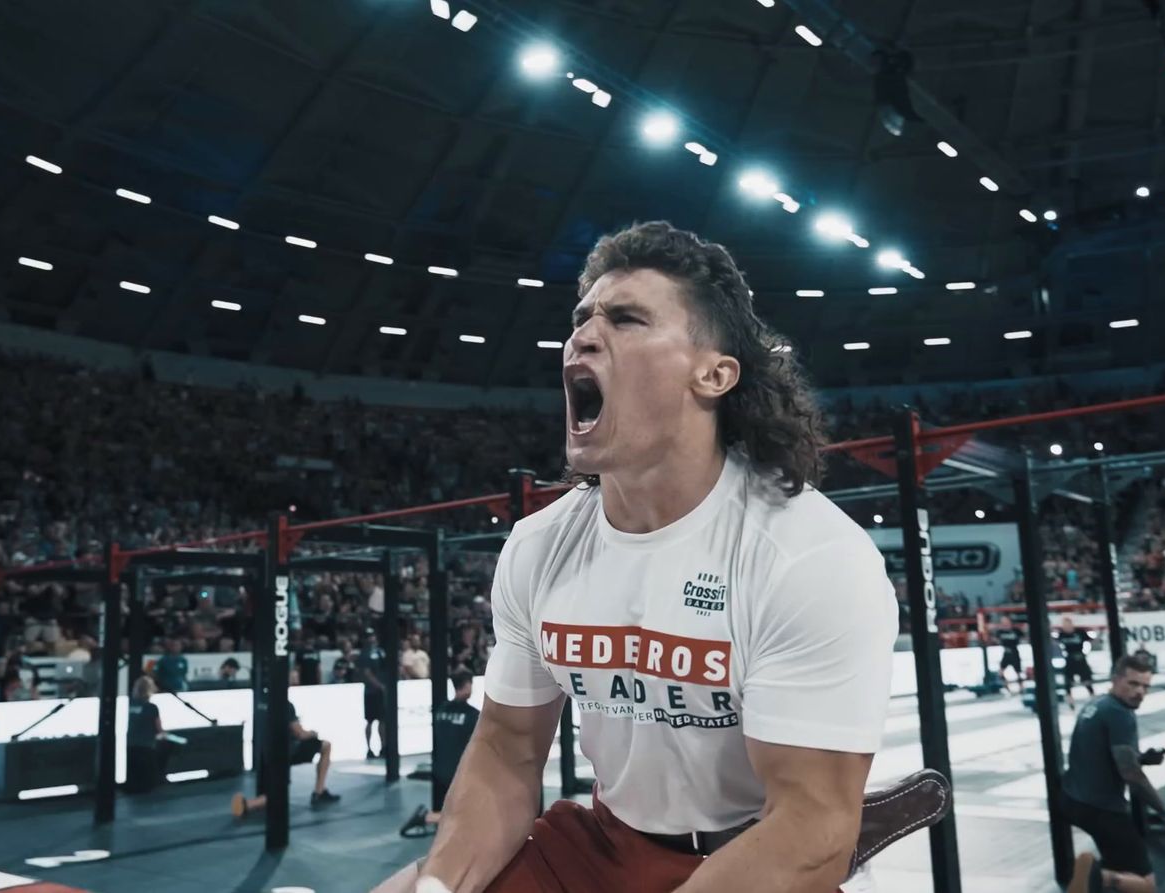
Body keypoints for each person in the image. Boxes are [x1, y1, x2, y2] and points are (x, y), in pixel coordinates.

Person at [372, 222, 905, 893]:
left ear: (713, 374)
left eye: (625, 318)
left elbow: (811, 828)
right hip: (601, 841)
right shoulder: (541, 546)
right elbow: (508, 749)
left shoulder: (807, 554)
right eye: (582, 318)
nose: (584, 334)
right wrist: (439, 884)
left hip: (750, 860)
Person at [1062, 655, 1165, 893]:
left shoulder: (1097, 704)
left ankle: (1095, 875)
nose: (1140, 692)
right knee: (1147, 886)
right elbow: (1130, 774)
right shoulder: (1120, 713)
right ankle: (1096, 876)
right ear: (1115, 680)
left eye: (1145, 686)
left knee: (1121, 863)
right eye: (1133, 684)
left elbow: (1107, 755)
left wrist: (1144, 758)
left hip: (1072, 799)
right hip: (1102, 809)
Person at [401, 670, 480, 838]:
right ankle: (428, 817)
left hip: (440, 769)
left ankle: (434, 818)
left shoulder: (441, 710)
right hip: (459, 770)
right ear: (466, 686)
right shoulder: (472, 715)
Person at [231, 697, 341, 816]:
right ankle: (248, 805)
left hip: (266, 752)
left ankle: (320, 791)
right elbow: (300, 734)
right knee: (326, 745)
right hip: (288, 751)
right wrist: (313, 733)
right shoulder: (286, 704)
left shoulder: (261, 703)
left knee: (276, 790)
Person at [124, 676, 166, 793]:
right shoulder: (152, 707)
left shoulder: (128, 705)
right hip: (146, 745)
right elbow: (159, 729)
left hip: (130, 744)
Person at [358, 628, 389, 759]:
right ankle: (369, 748)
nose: (372, 639)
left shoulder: (381, 652)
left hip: (381, 690)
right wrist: (379, 685)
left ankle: (383, 747)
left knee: (383, 720)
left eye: (373, 636)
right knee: (370, 720)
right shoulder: (364, 654)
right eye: (369, 637)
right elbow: (366, 673)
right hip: (371, 691)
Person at [1056, 617, 1096, 709]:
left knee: (1086, 680)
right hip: (1069, 659)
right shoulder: (1061, 634)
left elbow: (1091, 639)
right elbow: (1054, 641)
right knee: (1068, 681)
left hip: (1080, 658)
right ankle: (1071, 702)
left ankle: (1093, 698)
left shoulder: (1079, 632)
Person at [994, 615, 1025, 695]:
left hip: (1014, 652)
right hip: (1006, 653)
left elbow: (1022, 637)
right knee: (1001, 671)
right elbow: (996, 639)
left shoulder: (1015, 630)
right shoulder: (1000, 632)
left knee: (1018, 672)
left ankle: (1021, 688)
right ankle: (1007, 687)